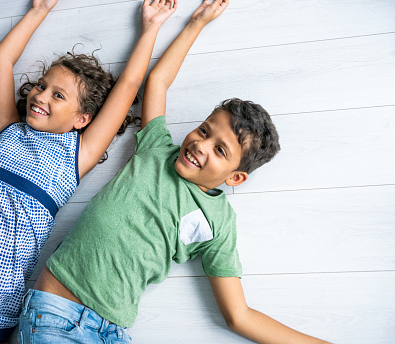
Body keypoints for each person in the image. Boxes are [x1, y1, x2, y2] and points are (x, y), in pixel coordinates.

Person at [18, 0, 332, 343]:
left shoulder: (219, 223)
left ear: (235, 177)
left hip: (112, 331)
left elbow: (238, 315)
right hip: (58, 315)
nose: (200, 144)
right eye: (203, 130)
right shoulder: (158, 149)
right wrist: (196, 22)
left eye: (220, 150)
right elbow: (157, 82)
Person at [0, 0, 177, 343]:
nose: (39, 95)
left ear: (81, 119)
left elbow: (130, 83)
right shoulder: (7, 129)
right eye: (41, 85)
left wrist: (150, 27)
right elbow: (1, 59)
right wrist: (39, 9)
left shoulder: (78, 154)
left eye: (57, 95)